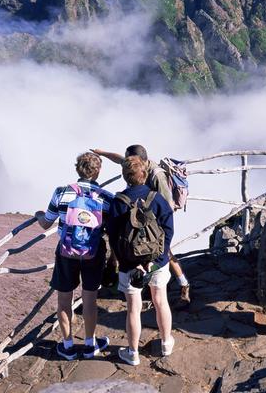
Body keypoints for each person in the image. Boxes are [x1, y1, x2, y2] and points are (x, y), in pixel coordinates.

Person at [34, 152, 114, 360]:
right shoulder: (105, 197)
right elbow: (111, 228)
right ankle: (89, 344)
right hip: (94, 253)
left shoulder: (61, 193)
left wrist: (38, 214)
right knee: (89, 300)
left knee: (64, 300)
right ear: (98, 172)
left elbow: (46, 223)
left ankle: (67, 346)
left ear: (77, 169)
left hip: (66, 253)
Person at [92, 145, 192, 309]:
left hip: (155, 220)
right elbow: (120, 160)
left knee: (164, 251)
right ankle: (150, 282)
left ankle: (184, 285)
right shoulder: (138, 164)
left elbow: (166, 204)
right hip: (142, 217)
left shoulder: (156, 175)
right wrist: (102, 153)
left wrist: (156, 226)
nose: (126, 161)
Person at [107, 155, 175, 366]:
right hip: (157, 262)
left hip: (130, 265)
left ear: (125, 177)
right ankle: (165, 343)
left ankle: (133, 352)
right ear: (145, 175)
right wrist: (158, 259)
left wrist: (127, 261)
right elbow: (169, 231)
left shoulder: (118, 202)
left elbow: (113, 237)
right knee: (160, 301)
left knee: (133, 308)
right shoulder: (158, 200)